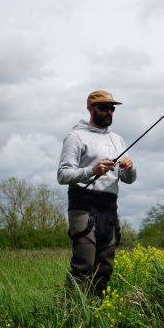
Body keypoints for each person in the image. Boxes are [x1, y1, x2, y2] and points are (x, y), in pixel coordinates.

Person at [57, 90, 137, 296]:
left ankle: (97, 313)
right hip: (82, 205)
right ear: (90, 108)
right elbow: (62, 175)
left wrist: (130, 168)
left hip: (109, 206)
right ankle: (71, 313)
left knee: (105, 269)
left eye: (112, 108)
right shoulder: (75, 136)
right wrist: (92, 170)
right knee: (83, 265)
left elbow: (129, 179)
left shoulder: (117, 139)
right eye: (104, 108)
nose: (109, 112)